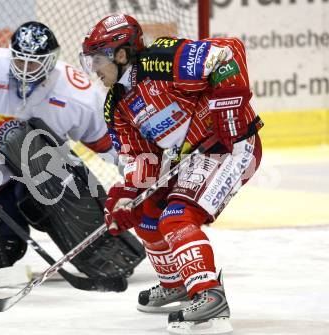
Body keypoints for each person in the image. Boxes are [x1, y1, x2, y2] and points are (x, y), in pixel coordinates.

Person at [80, 14, 263, 335]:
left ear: (122, 55)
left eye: (98, 58)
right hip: (192, 157)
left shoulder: (163, 60)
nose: (94, 68)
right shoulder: (117, 105)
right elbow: (141, 158)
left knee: (177, 217)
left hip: (233, 146)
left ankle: (209, 296)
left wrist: (227, 108)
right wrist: (126, 196)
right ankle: (177, 283)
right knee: (147, 212)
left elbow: (229, 52)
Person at [0, 21, 145, 279]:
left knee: (28, 144)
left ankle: (93, 242)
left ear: (51, 60)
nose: (25, 69)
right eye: (20, 61)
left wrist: (143, 178)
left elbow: (113, 147)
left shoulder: (77, 95)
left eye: (34, 63)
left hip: (47, 179)